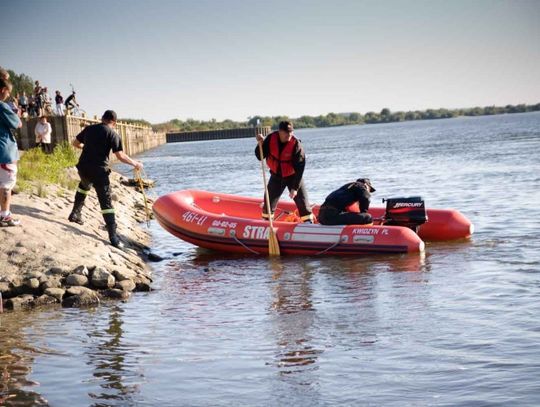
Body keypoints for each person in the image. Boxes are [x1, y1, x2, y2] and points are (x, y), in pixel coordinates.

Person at [68, 109, 143, 248]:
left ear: (102, 118)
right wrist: (135, 163)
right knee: (106, 203)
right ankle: (113, 237)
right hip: (99, 171)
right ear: (114, 122)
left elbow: (75, 143)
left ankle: (75, 213)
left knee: (84, 185)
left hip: (83, 167)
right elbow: (120, 155)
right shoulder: (113, 134)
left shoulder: (89, 129)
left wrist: (87, 147)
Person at [255, 120, 313, 223]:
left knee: (303, 203)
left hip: (293, 176)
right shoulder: (271, 138)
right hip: (276, 176)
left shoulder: (296, 145)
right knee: (268, 202)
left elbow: (300, 169)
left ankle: (309, 223)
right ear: (280, 132)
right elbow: (260, 156)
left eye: (291, 132)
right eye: (286, 132)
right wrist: (260, 144)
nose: (289, 134)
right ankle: (267, 222)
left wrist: (295, 188)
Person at [0, 77, 22, 227]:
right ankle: (5, 216)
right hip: (4, 152)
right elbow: (17, 123)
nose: (8, 95)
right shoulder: (2, 106)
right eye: (8, 92)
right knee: (6, 185)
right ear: (3, 90)